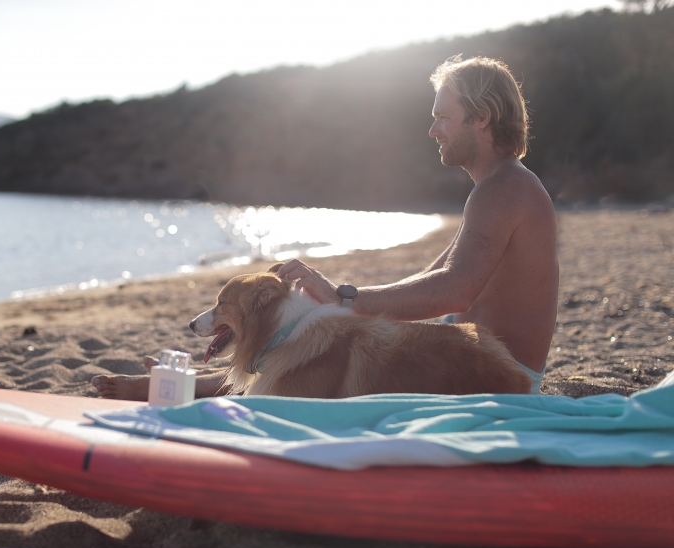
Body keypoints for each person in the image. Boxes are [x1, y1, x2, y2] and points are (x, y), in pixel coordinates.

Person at [92, 55, 558, 399]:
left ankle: (188, 390)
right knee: (312, 341)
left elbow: (455, 291)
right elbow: (430, 280)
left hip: (497, 378)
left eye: (443, 118)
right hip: (470, 363)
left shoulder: (504, 190)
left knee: (325, 351)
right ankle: (190, 385)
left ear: (482, 118)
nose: (434, 130)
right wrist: (333, 306)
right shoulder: (496, 189)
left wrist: (344, 298)